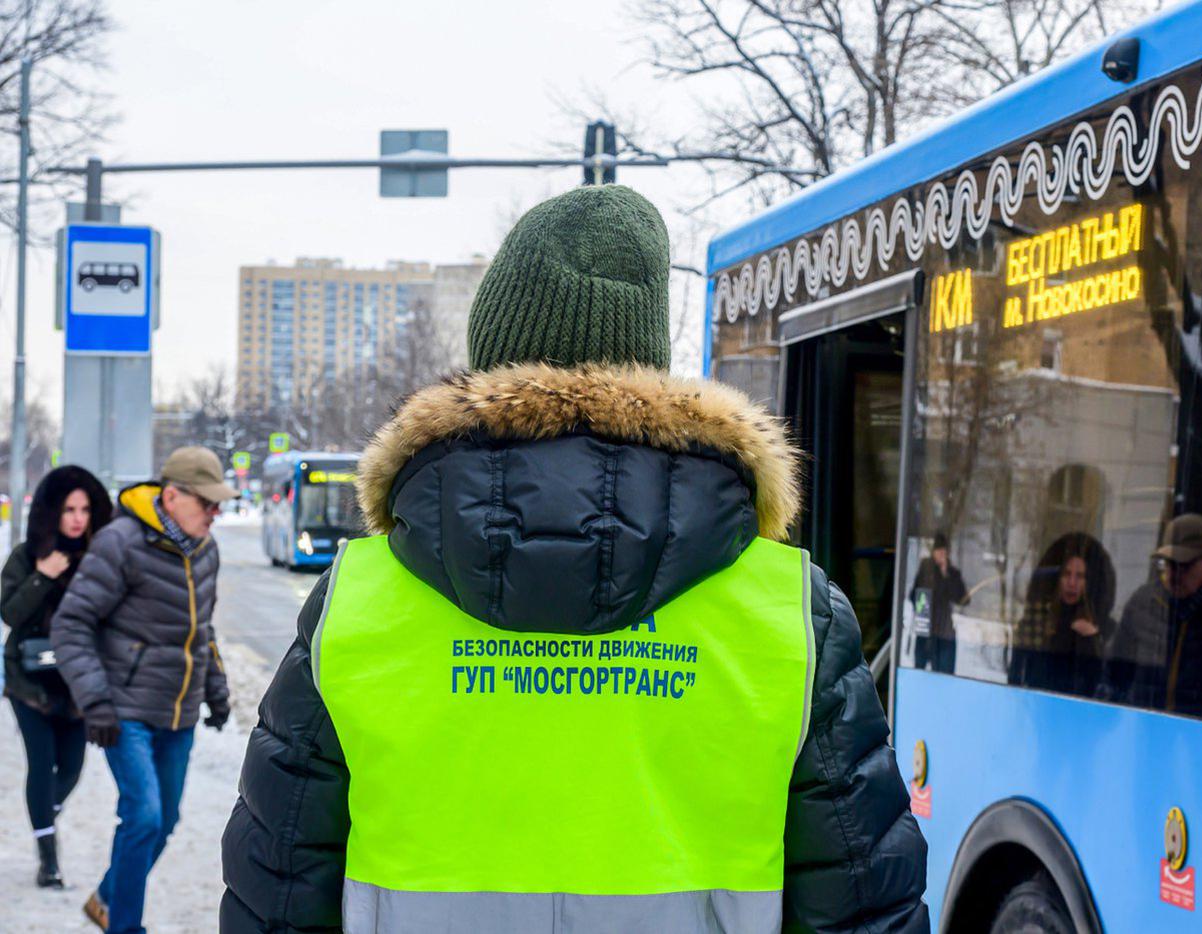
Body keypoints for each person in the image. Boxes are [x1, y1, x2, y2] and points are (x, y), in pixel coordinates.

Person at [221, 185, 929, 934]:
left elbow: (280, 887)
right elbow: (860, 897)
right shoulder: (790, 612)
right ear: (649, 367)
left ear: (489, 367)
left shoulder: (357, 603)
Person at [52, 446, 235, 933]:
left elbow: (203, 630)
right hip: (123, 710)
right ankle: (124, 926)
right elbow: (71, 624)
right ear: (171, 497)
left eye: (219, 504)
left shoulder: (206, 551)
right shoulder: (121, 542)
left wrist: (216, 691)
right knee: (144, 817)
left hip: (178, 713)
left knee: (165, 820)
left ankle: (107, 898)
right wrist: (94, 702)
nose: (216, 513)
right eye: (208, 503)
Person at [2, 466, 112, 888]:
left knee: (70, 769)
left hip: (77, 683)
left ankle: (44, 813)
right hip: (29, 683)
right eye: (69, 509)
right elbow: (9, 613)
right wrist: (42, 576)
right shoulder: (29, 555)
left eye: (84, 509)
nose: (77, 518)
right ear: (54, 512)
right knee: (40, 762)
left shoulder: (100, 557)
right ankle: (49, 860)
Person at [1105, 513, 1202, 720]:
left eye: (1184, 566)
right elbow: (1113, 678)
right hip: (1144, 731)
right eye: (1167, 564)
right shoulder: (1143, 602)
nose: (1172, 575)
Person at [1007, 532, 1116, 697]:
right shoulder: (1038, 619)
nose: (1072, 583)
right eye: (1066, 574)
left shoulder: (1103, 628)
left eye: (1079, 576)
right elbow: (1017, 673)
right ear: (1058, 578)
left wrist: (1092, 639)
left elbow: (1106, 686)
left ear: (1089, 582)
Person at [909, 531, 968, 672]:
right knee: (920, 672)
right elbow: (913, 594)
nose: (941, 554)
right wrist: (921, 606)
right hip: (925, 630)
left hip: (944, 633)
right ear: (933, 552)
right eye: (938, 551)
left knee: (943, 674)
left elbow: (962, 599)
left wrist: (945, 573)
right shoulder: (925, 568)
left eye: (944, 551)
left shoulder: (953, 573)